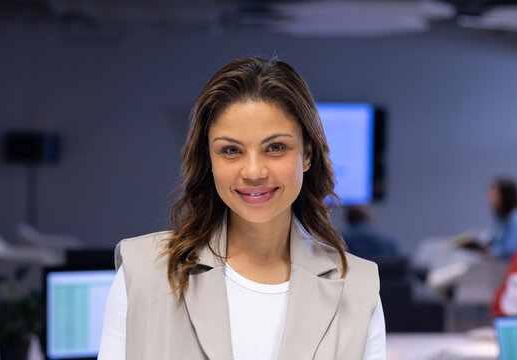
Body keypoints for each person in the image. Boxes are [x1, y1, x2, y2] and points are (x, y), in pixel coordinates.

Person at [98, 57, 385, 360]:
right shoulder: (142, 275)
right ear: (209, 160)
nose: (253, 171)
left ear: (307, 155)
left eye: (275, 148)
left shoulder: (357, 289)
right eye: (231, 150)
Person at [484, 177, 517, 258]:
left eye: (493, 196)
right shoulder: (500, 219)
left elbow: (513, 250)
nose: (490, 200)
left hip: (508, 267)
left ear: (505, 196)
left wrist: (488, 251)